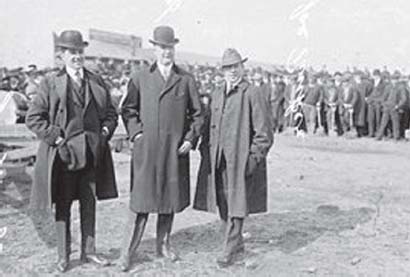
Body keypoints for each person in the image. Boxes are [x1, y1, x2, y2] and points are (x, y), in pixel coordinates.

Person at [25, 30, 118, 272]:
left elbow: (110, 113)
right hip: (64, 156)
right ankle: (63, 255)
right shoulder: (50, 83)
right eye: (71, 52)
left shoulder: (96, 81)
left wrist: (104, 133)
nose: (77, 56)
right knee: (63, 205)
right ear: (62, 56)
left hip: (91, 153)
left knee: (89, 203)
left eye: (79, 52)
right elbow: (33, 118)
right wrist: (56, 139)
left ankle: (89, 251)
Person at [119, 25, 203, 271]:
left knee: (169, 199)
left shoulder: (186, 79)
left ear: (174, 49)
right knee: (141, 202)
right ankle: (127, 252)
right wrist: (137, 135)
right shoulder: (141, 77)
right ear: (154, 49)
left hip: (175, 151)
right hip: (147, 151)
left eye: (170, 47)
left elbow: (198, 114)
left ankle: (163, 245)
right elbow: (128, 109)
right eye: (162, 47)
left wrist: (190, 139)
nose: (166, 52)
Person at [194, 48, 273, 267]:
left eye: (236, 66)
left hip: (240, 162)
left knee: (237, 204)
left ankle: (229, 248)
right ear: (223, 71)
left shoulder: (252, 93)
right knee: (223, 202)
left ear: (243, 67)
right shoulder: (217, 93)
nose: (232, 71)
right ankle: (236, 243)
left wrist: (252, 161)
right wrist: (205, 150)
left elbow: (264, 133)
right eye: (228, 68)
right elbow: (210, 124)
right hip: (217, 159)